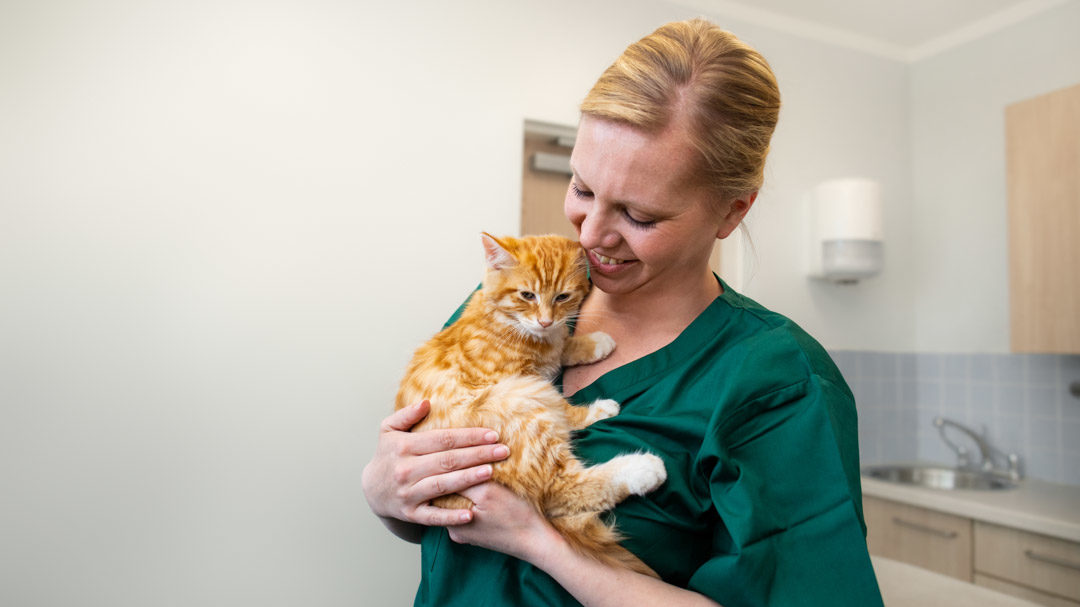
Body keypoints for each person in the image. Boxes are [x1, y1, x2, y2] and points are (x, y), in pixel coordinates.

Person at [362, 18, 884, 606]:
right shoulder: (509, 305)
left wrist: (542, 543)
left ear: (731, 213)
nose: (592, 237)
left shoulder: (777, 382)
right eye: (582, 190)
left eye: (639, 216)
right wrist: (386, 492)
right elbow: (433, 510)